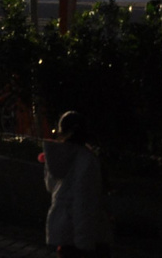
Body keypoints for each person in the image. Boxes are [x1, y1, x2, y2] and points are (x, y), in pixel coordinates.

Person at [43, 110, 112, 257]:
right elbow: (84, 202)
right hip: (84, 237)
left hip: (63, 231)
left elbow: (50, 186)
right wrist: (85, 243)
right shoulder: (86, 159)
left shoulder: (57, 156)